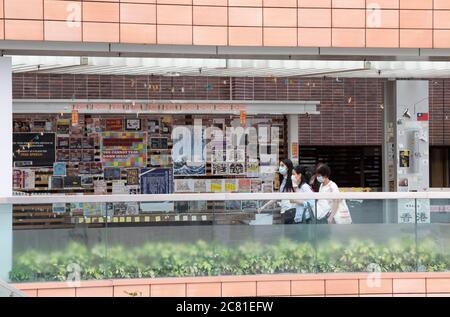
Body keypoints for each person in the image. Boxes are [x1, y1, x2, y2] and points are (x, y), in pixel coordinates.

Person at [257, 159, 297, 224]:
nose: (280, 167)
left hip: (290, 210)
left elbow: (298, 194)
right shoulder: (284, 180)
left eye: (282, 165)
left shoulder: (292, 179)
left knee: (288, 233)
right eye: (280, 165)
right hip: (284, 211)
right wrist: (263, 207)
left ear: (288, 167)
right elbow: (278, 196)